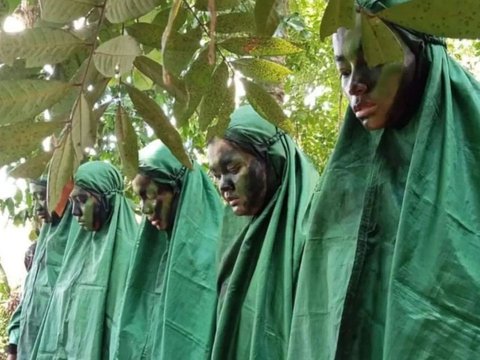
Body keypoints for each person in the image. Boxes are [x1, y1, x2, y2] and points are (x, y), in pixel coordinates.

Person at [297, 1, 480, 358]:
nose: (355, 86)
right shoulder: (338, 194)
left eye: (373, 59)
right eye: (344, 70)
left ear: (421, 48)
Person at [207, 105, 318, 359]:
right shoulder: (231, 241)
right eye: (216, 175)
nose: (224, 186)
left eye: (233, 169)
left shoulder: (316, 227)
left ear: (274, 159)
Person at [112, 140, 223, 359]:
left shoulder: (218, 252)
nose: (145, 208)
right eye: (140, 198)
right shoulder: (146, 255)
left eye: (151, 195)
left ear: (179, 190)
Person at [30, 161, 138, 359]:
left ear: (108, 198)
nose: (75, 212)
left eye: (82, 200)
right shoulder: (75, 253)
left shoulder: (132, 255)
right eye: (72, 202)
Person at [6, 178, 77, 360]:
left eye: (43, 197)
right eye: (35, 198)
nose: (37, 207)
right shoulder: (42, 245)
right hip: (28, 348)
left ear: (64, 196)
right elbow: (29, 298)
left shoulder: (80, 245)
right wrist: (13, 347)